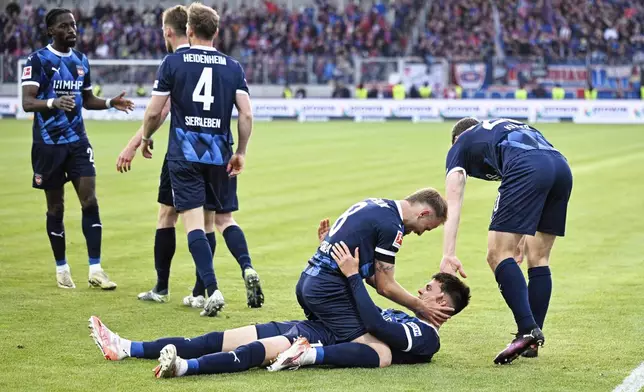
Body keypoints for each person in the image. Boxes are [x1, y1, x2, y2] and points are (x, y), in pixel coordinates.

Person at [88, 223, 470, 378]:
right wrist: (329, 253)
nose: (421, 293)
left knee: (261, 347)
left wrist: (353, 276)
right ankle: (126, 347)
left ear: (446, 309)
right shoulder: (411, 318)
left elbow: (375, 324)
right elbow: (363, 297)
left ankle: (185, 368)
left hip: (325, 340)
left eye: (430, 292)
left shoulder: (427, 336)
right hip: (320, 326)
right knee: (223, 336)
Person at [115, 5, 263, 310]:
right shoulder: (232, 66)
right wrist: (241, 152)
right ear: (217, 32)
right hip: (220, 152)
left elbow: (156, 110)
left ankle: (210, 290)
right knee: (220, 220)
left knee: (192, 222)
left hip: (184, 153)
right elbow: (246, 114)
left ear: (190, 31)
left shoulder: (173, 62)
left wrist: (142, 140)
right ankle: (236, 272)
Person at [440, 117, 573, 364]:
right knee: (539, 257)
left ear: (456, 139)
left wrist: (448, 253)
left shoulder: (460, 145)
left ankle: (527, 330)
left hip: (527, 166)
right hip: (560, 166)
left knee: (497, 254)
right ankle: (532, 340)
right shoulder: (504, 128)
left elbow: (453, 202)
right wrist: (520, 239)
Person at [21, 8, 134, 290]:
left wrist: (109, 103)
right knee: (56, 206)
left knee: (90, 201)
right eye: (65, 26)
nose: (72, 30)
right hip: (48, 145)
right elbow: (27, 102)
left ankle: (95, 269)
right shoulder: (38, 60)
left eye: (73, 25)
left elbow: (87, 99)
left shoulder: (81, 61)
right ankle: (62, 270)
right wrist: (53, 103)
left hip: (78, 142)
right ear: (51, 31)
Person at [296, 190, 453, 355]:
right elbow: (384, 286)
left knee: (323, 333)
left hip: (306, 282)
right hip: (328, 291)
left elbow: (373, 277)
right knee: (378, 351)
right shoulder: (392, 227)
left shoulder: (374, 204)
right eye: (427, 228)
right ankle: (307, 355)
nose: (420, 233)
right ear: (424, 214)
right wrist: (421, 307)